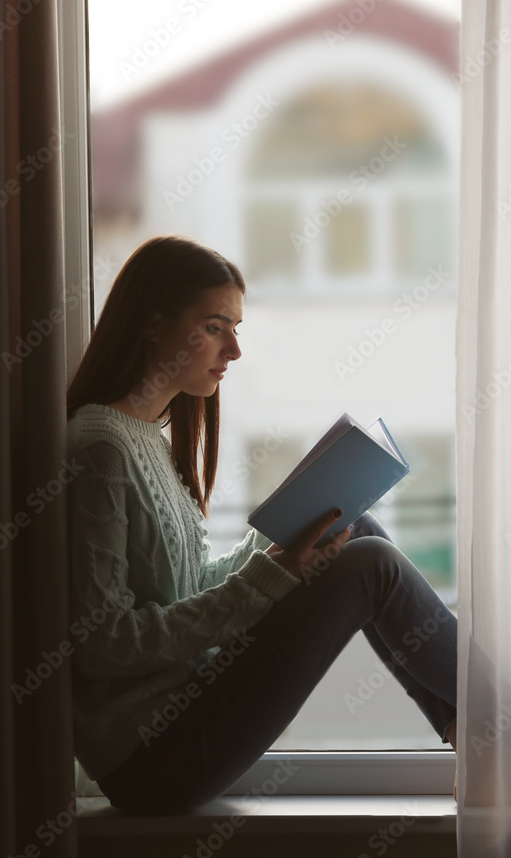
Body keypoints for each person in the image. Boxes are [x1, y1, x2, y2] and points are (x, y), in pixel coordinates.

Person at [65, 233, 458, 815]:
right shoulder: (100, 449)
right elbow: (104, 644)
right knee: (369, 565)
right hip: (152, 756)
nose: (234, 352)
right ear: (153, 325)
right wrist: (269, 577)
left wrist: (276, 545)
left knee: (358, 528)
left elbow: (185, 590)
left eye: (236, 329)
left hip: (190, 710)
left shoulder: (147, 439)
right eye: (216, 326)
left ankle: (474, 736)